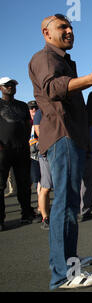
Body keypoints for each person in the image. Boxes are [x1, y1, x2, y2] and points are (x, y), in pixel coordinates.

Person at [28, 14, 92, 289]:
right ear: (46, 33)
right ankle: (63, 275)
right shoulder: (45, 57)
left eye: (71, 27)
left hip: (73, 134)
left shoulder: (64, 62)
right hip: (62, 137)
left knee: (69, 203)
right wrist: (90, 79)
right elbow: (53, 88)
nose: (70, 31)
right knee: (66, 205)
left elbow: (67, 103)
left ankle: (69, 262)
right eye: (63, 27)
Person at [0, 77, 37, 232]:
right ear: (1, 88)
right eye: (7, 85)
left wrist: (24, 142)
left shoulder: (22, 106)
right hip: (3, 150)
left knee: (24, 184)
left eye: (13, 85)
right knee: (0, 185)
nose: (10, 87)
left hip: (21, 149)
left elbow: (29, 124)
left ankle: (27, 214)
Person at [33, 108, 52, 230]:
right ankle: (45, 218)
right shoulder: (40, 112)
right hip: (46, 152)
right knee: (46, 187)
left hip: (58, 152)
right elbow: (38, 130)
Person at [28, 100, 41, 198]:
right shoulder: (26, 123)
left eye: (36, 107)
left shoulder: (43, 121)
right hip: (29, 156)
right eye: (31, 108)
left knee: (40, 182)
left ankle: (41, 207)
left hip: (40, 155)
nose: (34, 109)